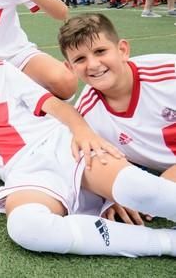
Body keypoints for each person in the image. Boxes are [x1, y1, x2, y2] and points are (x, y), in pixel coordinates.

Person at [0, 17, 176, 258]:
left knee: (136, 189)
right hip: (22, 171)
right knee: (27, 228)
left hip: (59, 143)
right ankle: (166, 243)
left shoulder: (2, 72)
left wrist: (82, 133)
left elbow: (53, 105)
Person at [60, 13, 176, 194]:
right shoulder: (86, 114)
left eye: (100, 51)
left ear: (122, 50)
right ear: (70, 68)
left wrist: (167, 182)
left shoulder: (169, 74)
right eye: (80, 59)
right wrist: (108, 194)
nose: (93, 64)